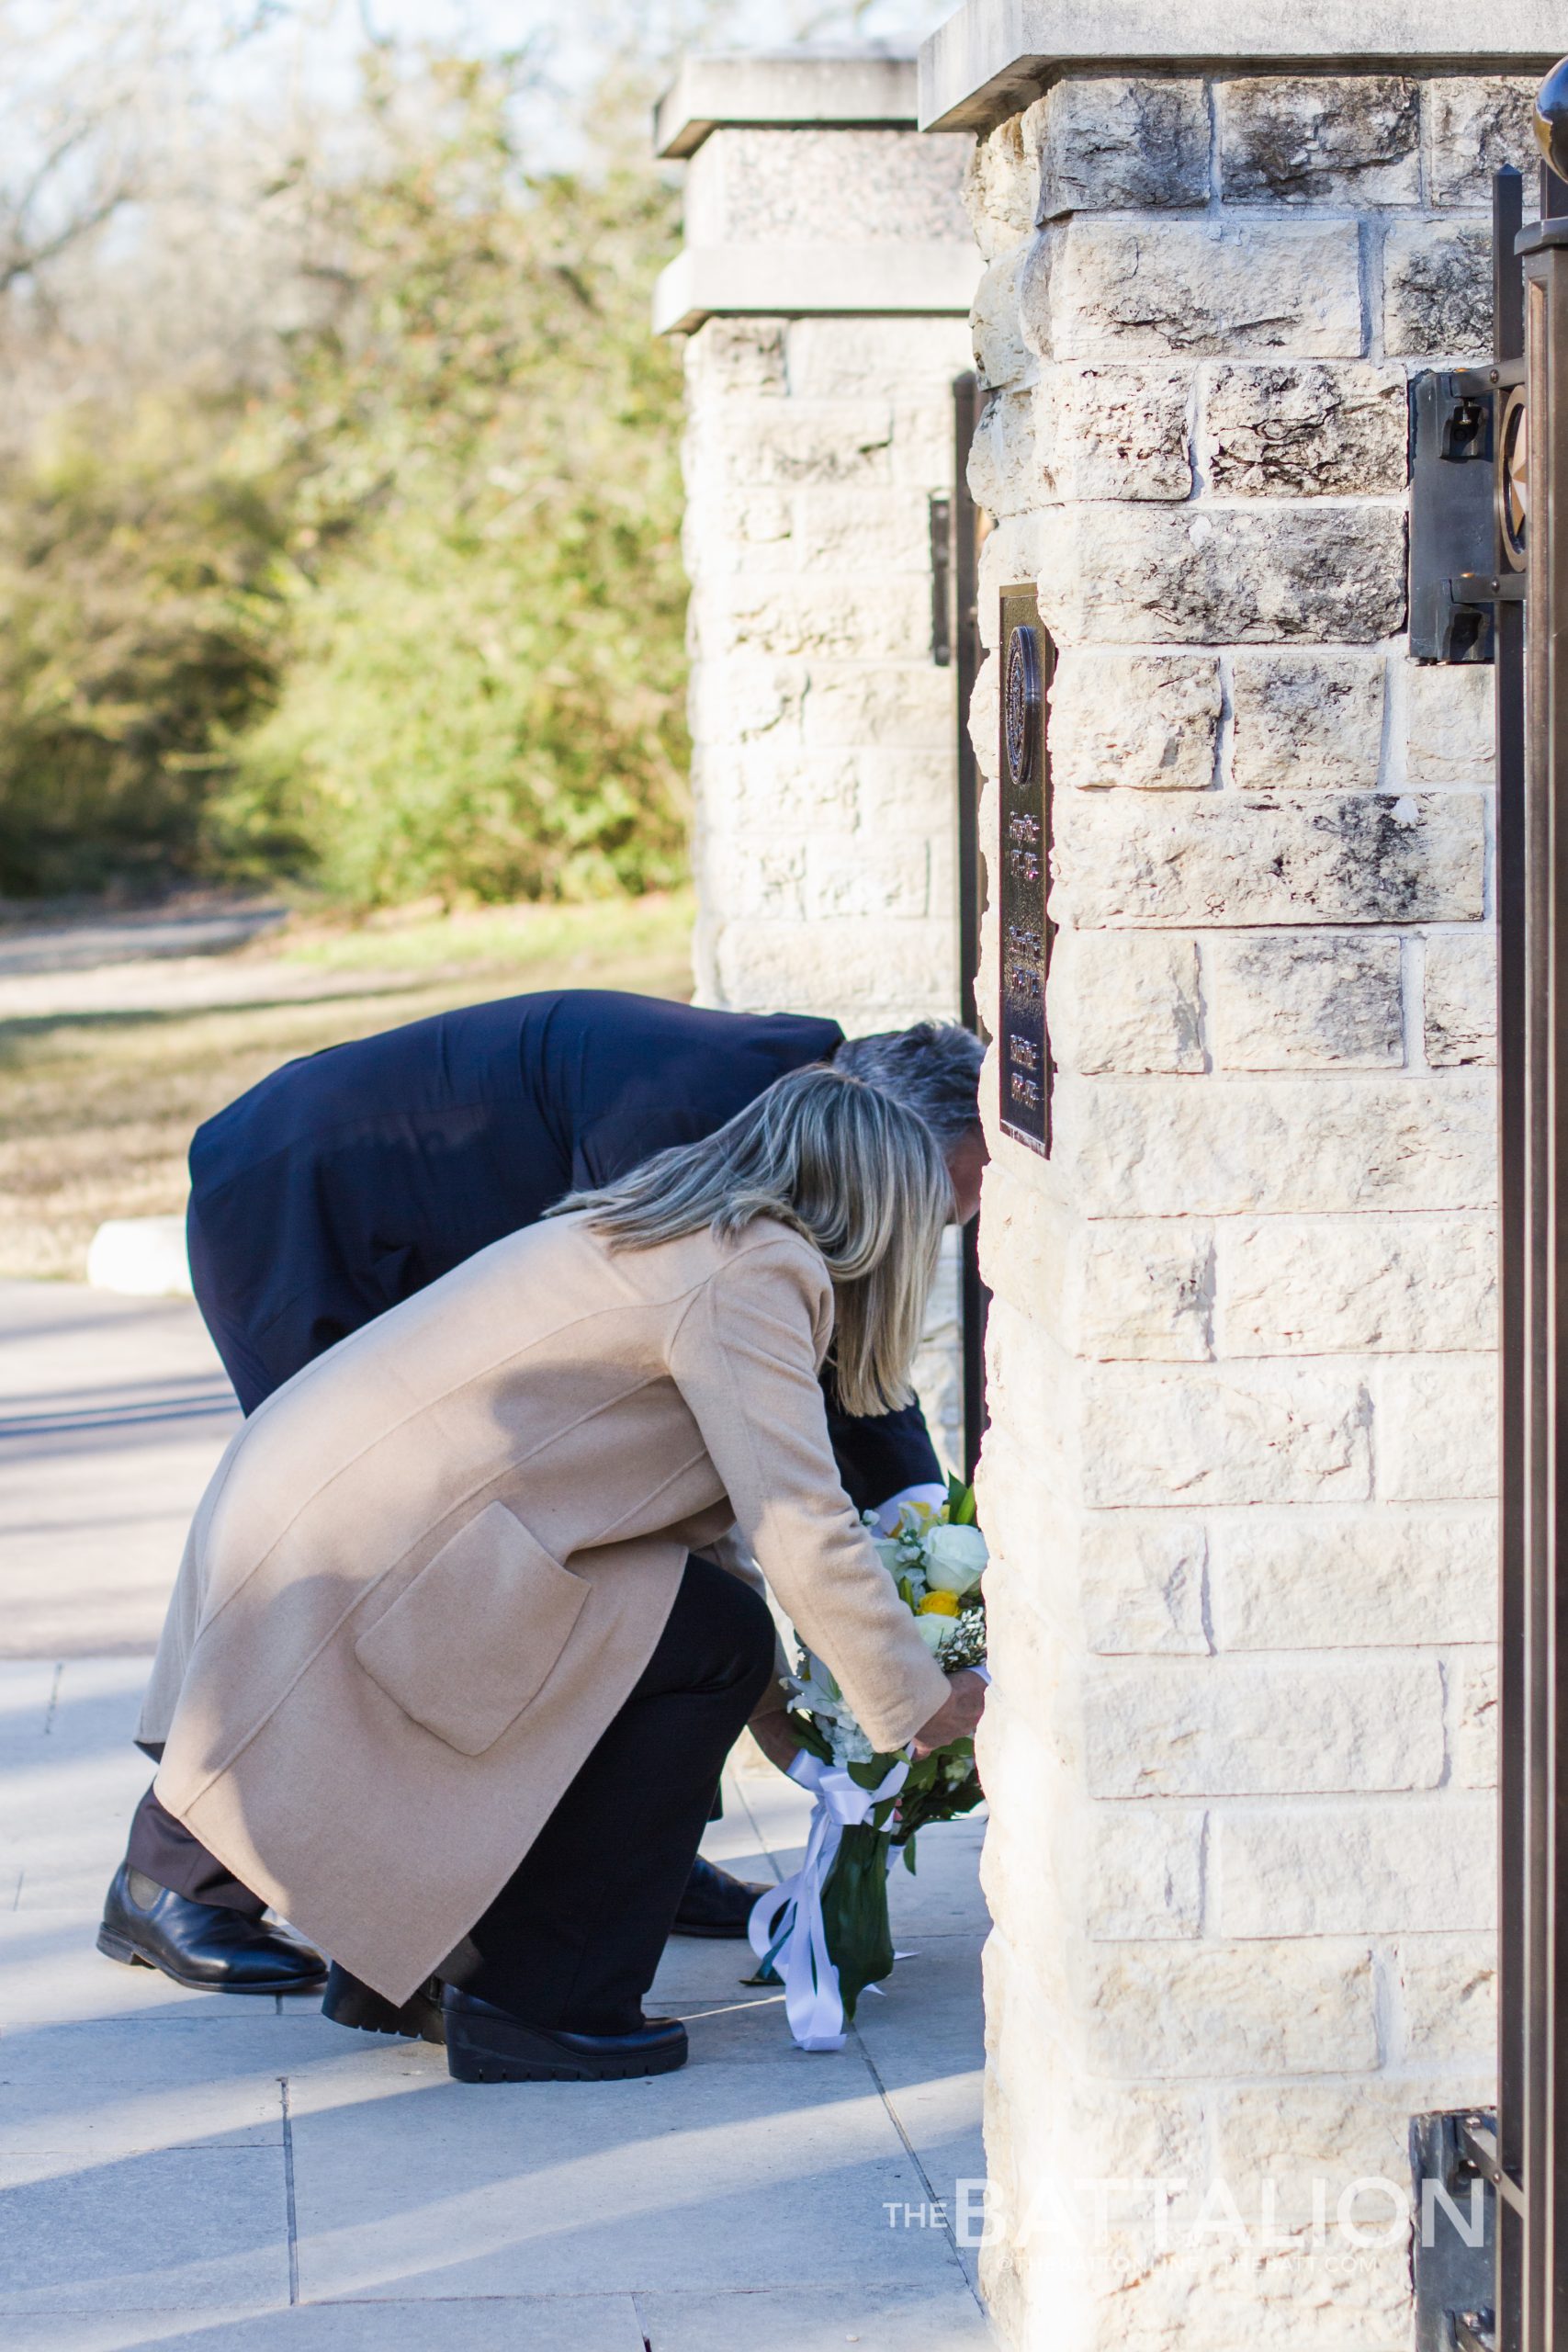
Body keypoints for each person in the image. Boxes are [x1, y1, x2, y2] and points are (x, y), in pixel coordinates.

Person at [98, 991, 987, 1993]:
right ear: (889, 1155)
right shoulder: (701, 1149)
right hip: (301, 1211)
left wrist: (909, 1530)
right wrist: (904, 1697)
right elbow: (766, 1462)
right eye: (947, 1210)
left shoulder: (766, 1143)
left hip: (419, 1279)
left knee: (628, 1605)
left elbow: (691, 1486)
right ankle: (178, 1877)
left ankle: (614, 1862)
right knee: (375, 1598)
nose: (950, 1236)